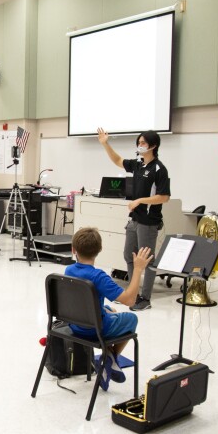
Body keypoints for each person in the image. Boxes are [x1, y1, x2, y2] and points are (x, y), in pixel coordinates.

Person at [65, 226, 153, 382]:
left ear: (73, 250)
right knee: (131, 319)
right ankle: (110, 357)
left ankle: (108, 359)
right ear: (99, 250)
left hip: (75, 324)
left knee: (109, 309)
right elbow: (130, 300)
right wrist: (138, 269)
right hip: (94, 330)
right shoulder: (98, 276)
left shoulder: (69, 270)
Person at [97, 128, 170, 311]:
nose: (140, 145)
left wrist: (140, 201)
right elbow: (118, 160)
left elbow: (164, 197)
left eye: (144, 142)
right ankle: (133, 292)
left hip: (148, 221)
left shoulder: (159, 169)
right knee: (129, 255)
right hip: (134, 219)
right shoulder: (138, 164)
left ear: (153, 145)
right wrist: (105, 143)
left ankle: (145, 298)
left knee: (147, 260)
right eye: (139, 142)